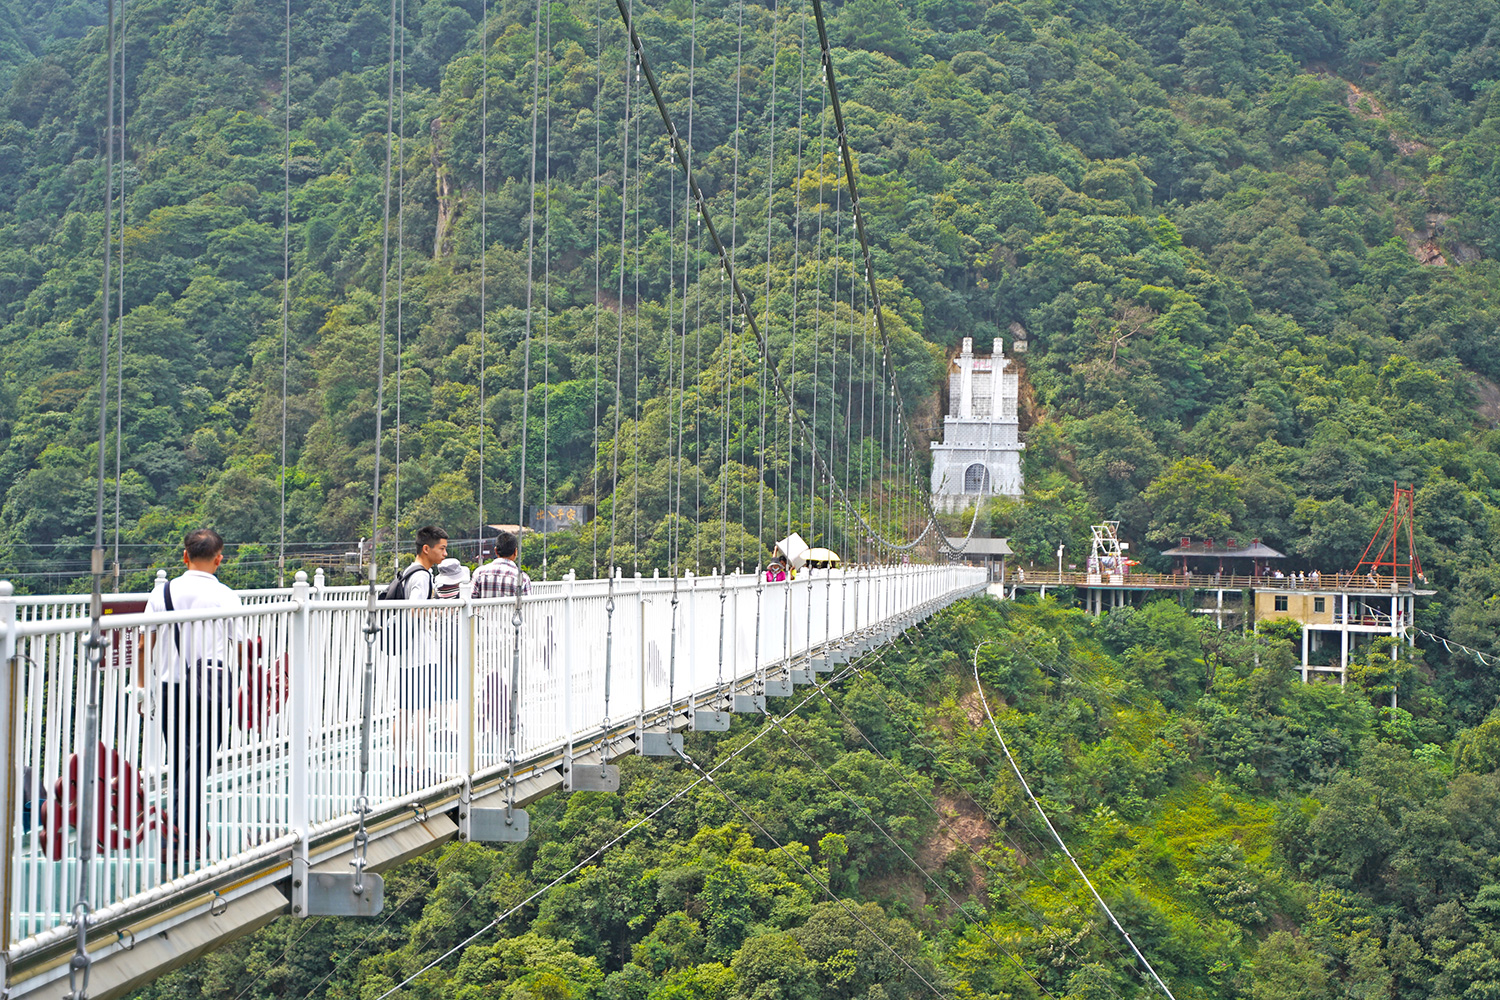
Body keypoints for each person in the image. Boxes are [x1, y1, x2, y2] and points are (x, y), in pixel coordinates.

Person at [141, 528, 245, 871]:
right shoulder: (226, 596)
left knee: (182, 761)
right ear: (219, 558)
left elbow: (145, 644)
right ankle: (188, 837)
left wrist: (141, 688)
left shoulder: (163, 592)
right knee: (197, 767)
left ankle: (183, 837)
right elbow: (240, 646)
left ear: (184, 557)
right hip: (213, 690)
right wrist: (244, 687)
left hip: (172, 688)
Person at [393, 526, 449, 791]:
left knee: (404, 712)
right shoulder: (423, 577)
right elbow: (414, 609)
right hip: (421, 656)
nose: (444, 553)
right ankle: (421, 769)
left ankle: (400, 768)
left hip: (407, 656)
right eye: (441, 548)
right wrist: (433, 612)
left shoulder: (407, 572)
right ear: (427, 549)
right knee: (421, 714)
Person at [472, 531, 532, 597]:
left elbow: (471, 599)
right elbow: (528, 605)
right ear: (515, 552)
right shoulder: (522, 578)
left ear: (495, 551)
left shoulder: (479, 573)